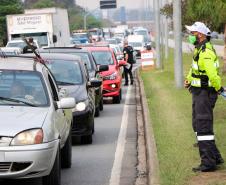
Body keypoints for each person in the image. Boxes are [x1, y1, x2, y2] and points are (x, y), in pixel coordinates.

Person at [184, 22, 224, 172]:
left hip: (205, 93)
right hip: (198, 92)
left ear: (200, 35)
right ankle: (216, 156)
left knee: (203, 126)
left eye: (193, 33)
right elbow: (195, 69)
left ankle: (208, 163)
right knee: (197, 123)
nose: (190, 36)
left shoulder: (206, 52)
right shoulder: (199, 49)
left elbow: (212, 75)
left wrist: (219, 88)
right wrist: (188, 79)